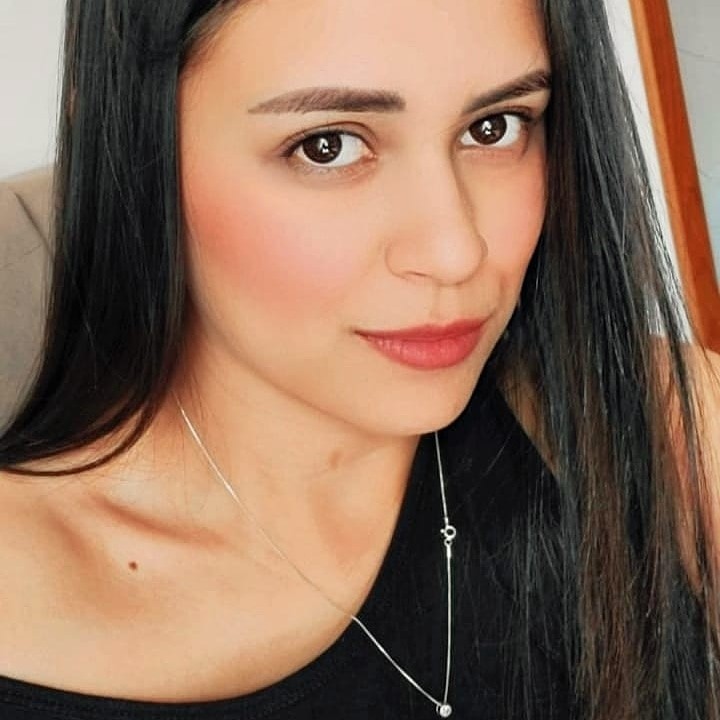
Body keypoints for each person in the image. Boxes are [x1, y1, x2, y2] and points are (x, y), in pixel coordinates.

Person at [0, 0, 718, 717]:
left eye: (495, 127)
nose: (455, 251)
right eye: (328, 146)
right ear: (128, 136)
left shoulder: (671, 429)